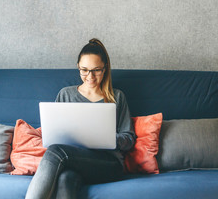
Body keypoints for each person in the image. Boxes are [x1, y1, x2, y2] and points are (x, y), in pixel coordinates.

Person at [25, 38, 135, 199]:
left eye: (96, 70)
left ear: (105, 69)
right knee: (65, 179)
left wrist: (106, 139)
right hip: (74, 162)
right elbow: (54, 134)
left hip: (108, 163)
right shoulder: (66, 94)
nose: (90, 76)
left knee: (57, 151)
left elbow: (129, 138)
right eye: (84, 70)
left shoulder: (117, 97)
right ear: (78, 67)